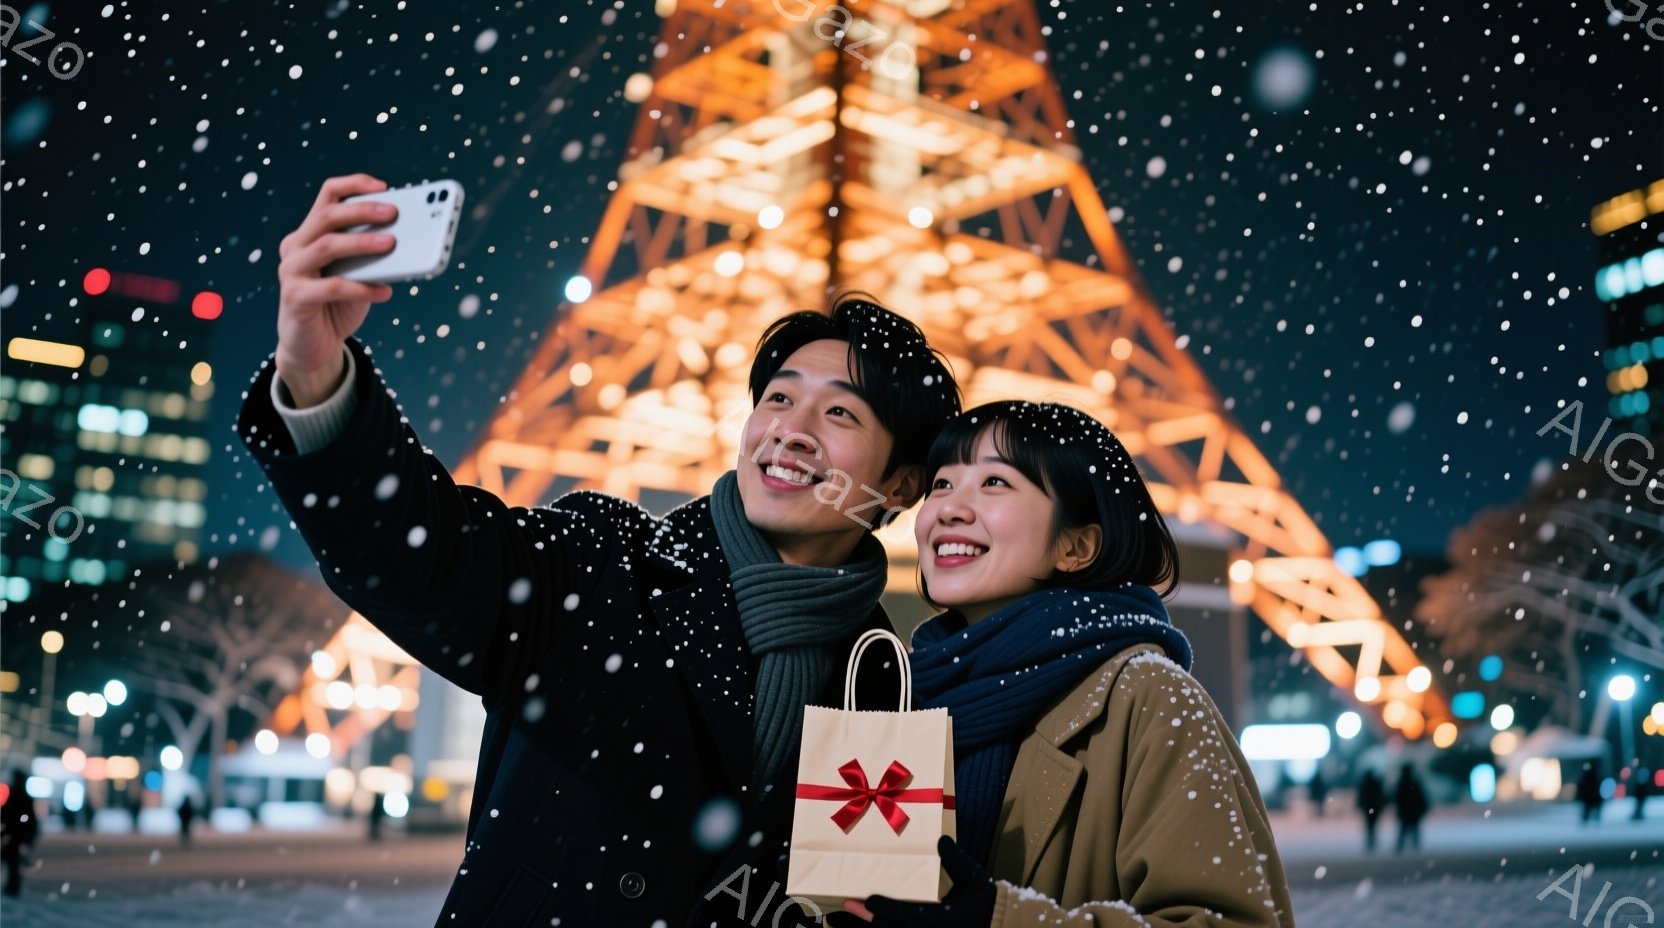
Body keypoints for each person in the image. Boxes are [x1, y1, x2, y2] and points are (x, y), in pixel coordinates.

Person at [241, 173, 963, 926]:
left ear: (899, 486)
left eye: (840, 412)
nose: (791, 429)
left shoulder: (881, 681)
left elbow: (856, 901)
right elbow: (427, 558)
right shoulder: (604, 562)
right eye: (779, 398)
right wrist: (317, 378)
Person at [844, 401, 1294, 928]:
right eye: (942, 484)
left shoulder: (1151, 697)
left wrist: (1002, 922)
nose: (949, 509)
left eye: (994, 482)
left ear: (1077, 546)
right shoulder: (903, 695)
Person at [2, 770, 37, 897]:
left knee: (12, 861)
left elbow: (7, 814)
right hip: (17, 834)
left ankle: (12, 886)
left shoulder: (16, 795)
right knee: (13, 862)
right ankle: (12, 886)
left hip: (14, 834)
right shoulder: (23, 796)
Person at [1392, 763, 1428, 853]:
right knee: (1411, 829)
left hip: (1408, 811)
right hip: (1412, 811)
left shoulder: (1403, 783)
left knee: (1405, 829)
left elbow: (1398, 798)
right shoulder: (1412, 783)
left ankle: (1402, 847)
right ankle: (1412, 847)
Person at [1356, 769, 1386, 852]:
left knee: (1370, 825)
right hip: (1373, 808)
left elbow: (1362, 796)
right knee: (1372, 825)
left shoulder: (1365, 784)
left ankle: (1370, 842)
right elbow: (1380, 796)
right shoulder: (1374, 784)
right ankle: (1371, 842)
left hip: (1369, 808)